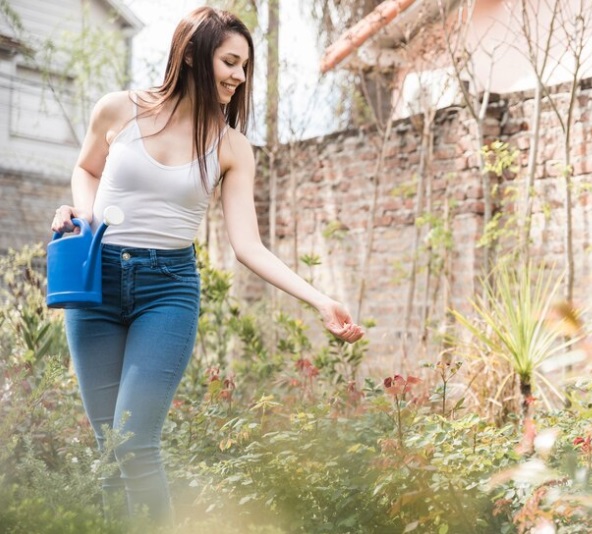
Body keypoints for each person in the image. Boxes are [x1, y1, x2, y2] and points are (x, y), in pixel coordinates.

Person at [49, 6, 364, 525]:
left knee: (134, 441)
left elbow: (249, 246)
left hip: (166, 292)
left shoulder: (230, 146)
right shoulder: (118, 110)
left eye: (245, 67)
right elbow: (85, 168)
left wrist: (320, 300)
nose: (240, 77)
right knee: (109, 447)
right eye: (231, 62)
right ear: (195, 55)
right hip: (95, 283)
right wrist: (83, 213)